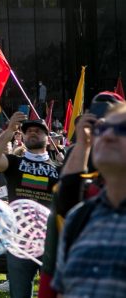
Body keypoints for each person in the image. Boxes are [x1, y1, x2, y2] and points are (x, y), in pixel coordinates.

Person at [53, 101, 126, 296]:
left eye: (122, 129)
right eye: (102, 128)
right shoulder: (79, 217)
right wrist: (83, 143)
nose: (108, 135)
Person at [0, 112, 60, 298]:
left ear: (47, 137)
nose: (33, 133)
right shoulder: (14, 162)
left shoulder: (59, 168)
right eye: (28, 131)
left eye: (38, 130)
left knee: (52, 293)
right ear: (23, 137)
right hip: (20, 240)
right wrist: (9, 130)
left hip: (50, 239)